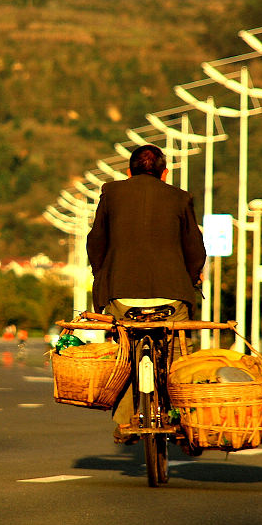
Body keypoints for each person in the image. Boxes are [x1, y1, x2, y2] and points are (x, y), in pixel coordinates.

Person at [86, 144, 207, 443]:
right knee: (177, 356)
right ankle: (183, 418)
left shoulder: (111, 193)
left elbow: (96, 242)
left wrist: (102, 278)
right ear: (164, 174)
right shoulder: (180, 197)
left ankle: (126, 420)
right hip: (172, 297)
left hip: (121, 296)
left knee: (124, 353)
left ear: (129, 172)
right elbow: (195, 248)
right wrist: (192, 278)